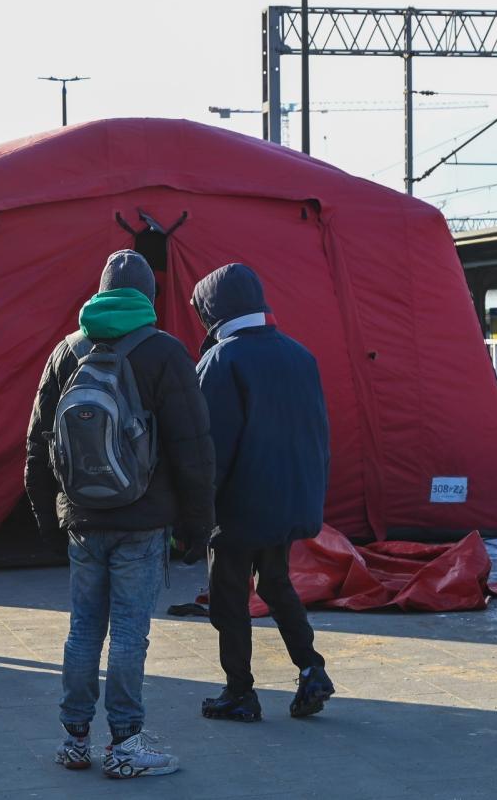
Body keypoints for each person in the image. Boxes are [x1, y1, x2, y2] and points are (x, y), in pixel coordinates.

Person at [25, 250, 215, 779]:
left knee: (84, 628)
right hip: (143, 519)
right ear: (147, 297)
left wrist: (48, 517)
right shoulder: (165, 353)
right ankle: (126, 742)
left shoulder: (68, 350)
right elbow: (193, 447)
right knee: (129, 631)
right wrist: (198, 526)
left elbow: (38, 442)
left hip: (83, 518)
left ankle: (74, 738)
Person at [189, 263, 335, 723]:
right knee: (276, 583)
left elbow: (212, 449)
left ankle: (239, 692)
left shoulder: (221, 360)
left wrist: (196, 514)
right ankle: (312, 668)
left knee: (228, 596)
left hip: (238, 507)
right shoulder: (300, 354)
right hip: (288, 500)